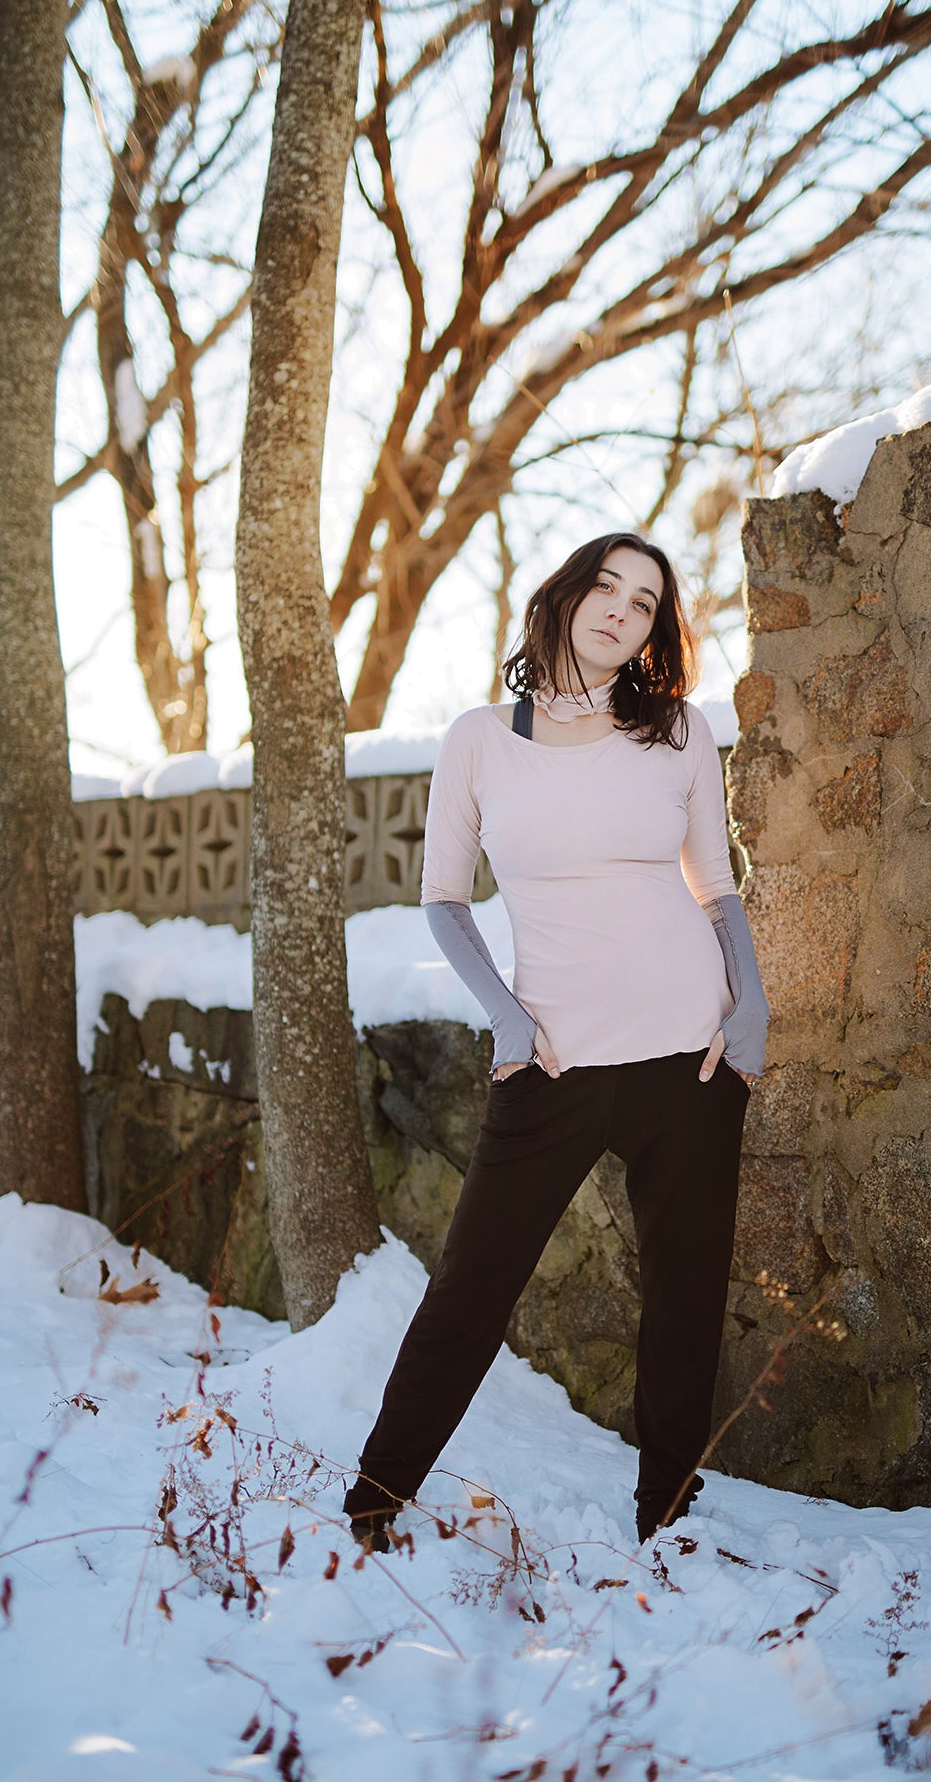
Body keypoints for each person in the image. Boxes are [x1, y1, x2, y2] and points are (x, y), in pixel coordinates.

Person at [342, 531, 769, 1549]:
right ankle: (372, 1501)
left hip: (691, 1057)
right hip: (554, 1061)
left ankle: (666, 1514)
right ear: (568, 595)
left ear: (655, 631)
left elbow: (715, 882)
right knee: (469, 1294)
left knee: (685, 1296)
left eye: (646, 601)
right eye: (608, 586)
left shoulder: (677, 732)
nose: (623, 608)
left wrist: (748, 1006)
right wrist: (506, 1013)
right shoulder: (481, 738)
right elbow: (444, 900)